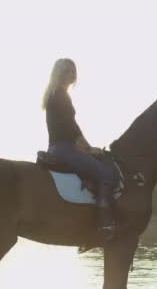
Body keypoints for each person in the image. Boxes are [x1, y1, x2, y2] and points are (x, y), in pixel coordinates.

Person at [42, 58, 117, 240]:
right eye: (67, 71)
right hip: (64, 149)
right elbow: (71, 128)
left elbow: (71, 127)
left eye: (73, 71)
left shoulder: (53, 94)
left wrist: (87, 147)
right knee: (106, 175)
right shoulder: (60, 95)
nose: (71, 74)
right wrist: (89, 149)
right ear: (59, 73)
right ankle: (102, 226)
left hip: (55, 148)